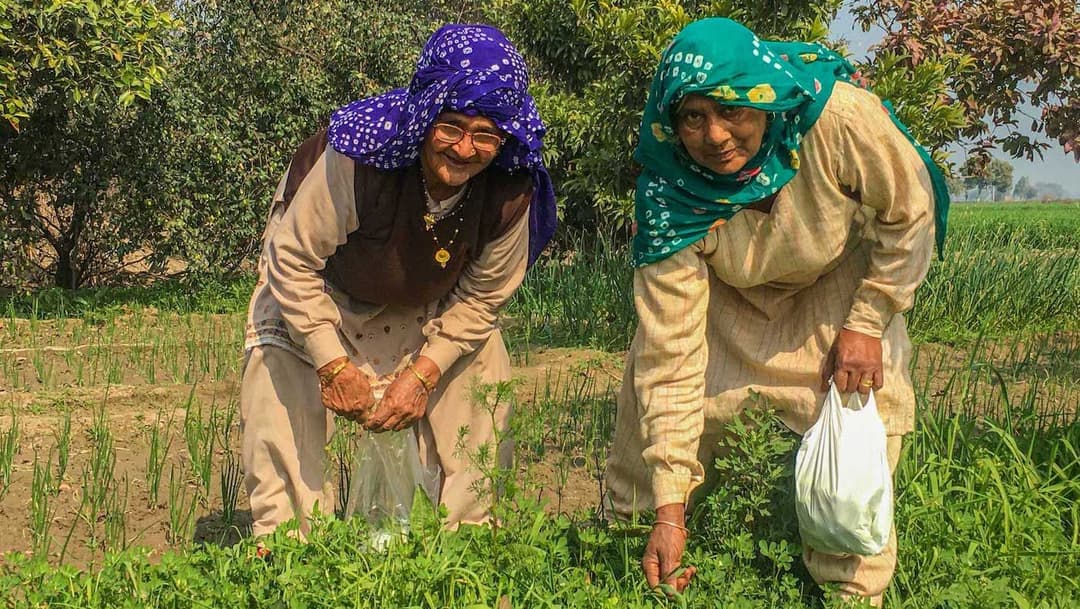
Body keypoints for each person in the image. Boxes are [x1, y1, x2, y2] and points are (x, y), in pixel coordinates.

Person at [604, 18, 949, 605]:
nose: (715, 136)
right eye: (694, 117)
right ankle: (635, 549)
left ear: (765, 101)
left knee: (857, 431)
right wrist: (669, 508)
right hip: (728, 298)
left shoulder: (837, 120)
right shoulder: (670, 196)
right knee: (652, 409)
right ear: (672, 121)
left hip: (839, 285)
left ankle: (851, 588)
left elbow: (910, 213)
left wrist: (868, 322)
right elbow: (672, 351)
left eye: (733, 110)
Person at [239, 24, 556, 538]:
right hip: (321, 290)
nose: (464, 148)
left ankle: (465, 539)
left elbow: (481, 299)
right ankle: (286, 550)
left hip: (427, 299)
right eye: (450, 126)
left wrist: (423, 374)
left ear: (505, 136)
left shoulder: (510, 190)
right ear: (425, 113)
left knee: (484, 361)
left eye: (485, 135)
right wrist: (332, 363)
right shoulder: (358, 155)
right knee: (276, 356)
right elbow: (293, 261)